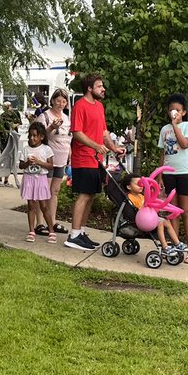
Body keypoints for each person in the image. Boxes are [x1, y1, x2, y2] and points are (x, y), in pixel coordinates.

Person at [65, 74, 125, 251]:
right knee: (83, 195)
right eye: (99, 86)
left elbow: (104, 132)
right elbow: (77, 132)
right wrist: (96, 146)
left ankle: (81, 232)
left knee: (90, 196)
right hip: (83, 157)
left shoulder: (99, 106)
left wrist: (114, 148)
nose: (103, 89)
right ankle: (73, 235)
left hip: (95, 159)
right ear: (90, 88)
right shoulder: (80, 106)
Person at [159, 93, 188, 259]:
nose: (174, 112)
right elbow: (163, 153)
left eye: (177, 110)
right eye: (171, 110)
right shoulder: (164, 130)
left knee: (186, 211)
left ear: (183, 112)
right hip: (169, 174)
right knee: (173, 212)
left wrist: (175, 126)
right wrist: (160, 174)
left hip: (185, 173)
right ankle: (176, 246)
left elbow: (184, 144)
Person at [36, 88, 71, 237]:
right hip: (48, 159)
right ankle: (39, 223)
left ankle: (52, 221)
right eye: (58, 101)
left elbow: (68, 137)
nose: (61, 104)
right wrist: (52, 127)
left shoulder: (66, 118)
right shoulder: (45, 116)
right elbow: (40, 136)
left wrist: (70, 153)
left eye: (64, 101)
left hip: (62, 159)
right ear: (52, 101)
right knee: (43, 191)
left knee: (54, 192)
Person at [19, 122, 56, 243]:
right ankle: (31, 231)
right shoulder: (26, 149)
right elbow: (21, 166)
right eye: (30, 135)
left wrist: (39, 162)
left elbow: (51, 166)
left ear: (41, 137)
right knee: (31, 205)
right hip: (29, 178)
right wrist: (28, 163)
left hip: (41, 179)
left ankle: (51, 231)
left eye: (35, 135)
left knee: (44, 205)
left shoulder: (46, 149)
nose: (32, 138)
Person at [124, 173, 181, 252]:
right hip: (141, 220)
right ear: (129, 187)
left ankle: (177, 243)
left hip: (148, 218)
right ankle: (165, 246)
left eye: (142, 183)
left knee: (167, 221)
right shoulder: (130, 198)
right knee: (160, 223)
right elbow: (137, 210)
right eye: (137, 184)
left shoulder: (141, 196)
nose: (141, 186)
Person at [0, 102, 22, 188]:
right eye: (4, 107)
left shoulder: (15, 113)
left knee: (11, 158)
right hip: (4, 139)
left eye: (7, 107)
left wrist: (14, 126)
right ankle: (0, 179)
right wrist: (8, 130)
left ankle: (6, 180)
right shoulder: (2, 115)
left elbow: (19, 122)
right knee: (3, 158)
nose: (6, 109)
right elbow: (0, 128)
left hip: (12, 138)